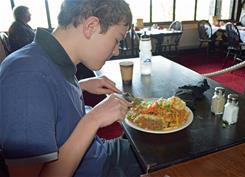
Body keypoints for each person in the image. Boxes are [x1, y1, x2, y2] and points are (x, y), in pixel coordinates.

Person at [0, 0, 143, 177]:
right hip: (96, 170)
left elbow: (52, 103)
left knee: (152, 146)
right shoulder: (26, 76)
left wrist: (80, 86)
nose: (116, 51)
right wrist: (93, 119)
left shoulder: (51, 60)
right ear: (91, 26)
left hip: (97, 154)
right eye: (117, 40)